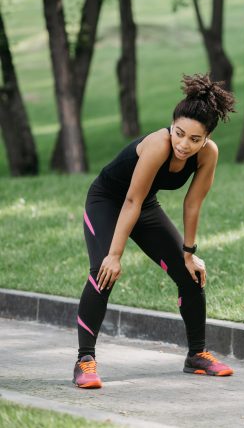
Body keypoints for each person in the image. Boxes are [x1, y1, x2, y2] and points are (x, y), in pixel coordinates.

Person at [73, 74, 235, 389]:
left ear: (207, 139)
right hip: (108, 201)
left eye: (195, 139)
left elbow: (192, 204)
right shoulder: (158, 145)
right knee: (103, 270)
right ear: (172, 125)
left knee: (190, 275)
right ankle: (84, 361)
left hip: (143, 204)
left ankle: (197, 355)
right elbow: (130, 199)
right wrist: (115, 255)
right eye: (180, 133)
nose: (184, 144)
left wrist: (189, 254)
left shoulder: (208, 155)